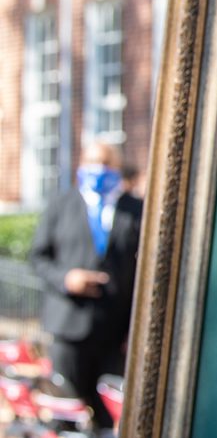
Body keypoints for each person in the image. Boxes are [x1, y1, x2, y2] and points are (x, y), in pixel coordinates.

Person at [29, 141, 142, 436]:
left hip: (114, 331)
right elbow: (38, 257)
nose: (99, 170)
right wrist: (66, 279)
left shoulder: (136, 209)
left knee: (110, 412)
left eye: (106, 163)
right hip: (69, 327)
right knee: (65, 410)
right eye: (93, 162)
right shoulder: (61, 205)